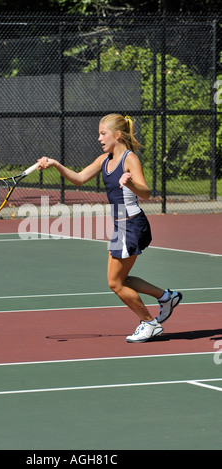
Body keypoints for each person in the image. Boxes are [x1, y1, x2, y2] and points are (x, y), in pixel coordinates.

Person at [37, 113, 182, 343]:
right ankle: (166, 297)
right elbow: (79, 178)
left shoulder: (129, 158)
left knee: (114, 282)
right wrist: (55, 164)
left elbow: (146, 192)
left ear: (118, 134)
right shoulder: (105, 159)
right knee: (119, 280)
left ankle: (149, 323)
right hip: (120, 226)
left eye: (103, 133)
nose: (99, 138)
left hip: (132, 225)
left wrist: (131, 183)